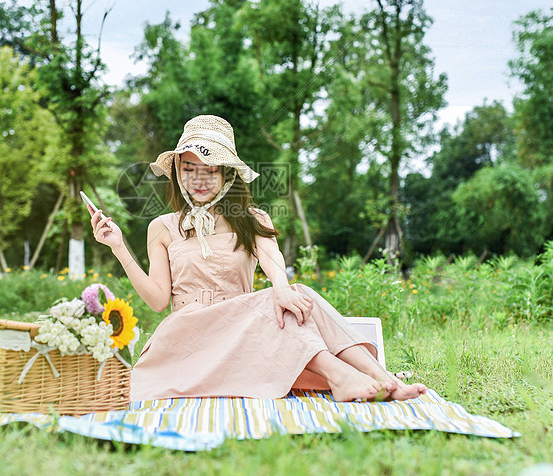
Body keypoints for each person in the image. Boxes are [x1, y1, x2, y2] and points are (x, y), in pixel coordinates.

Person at [88, 115, 427, 402]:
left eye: (211, 169)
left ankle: (382, 377)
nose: (199, 179)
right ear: (178, 172)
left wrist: (282, 287)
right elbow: (159, 301)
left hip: (246, 333)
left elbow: (273, 259)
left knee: (297, 293)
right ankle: (341, 376)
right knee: (275, 302)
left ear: (227, 174)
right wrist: (118, 246)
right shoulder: (161, 228)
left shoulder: (254, 218)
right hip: (190, 335)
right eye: (190, 169)